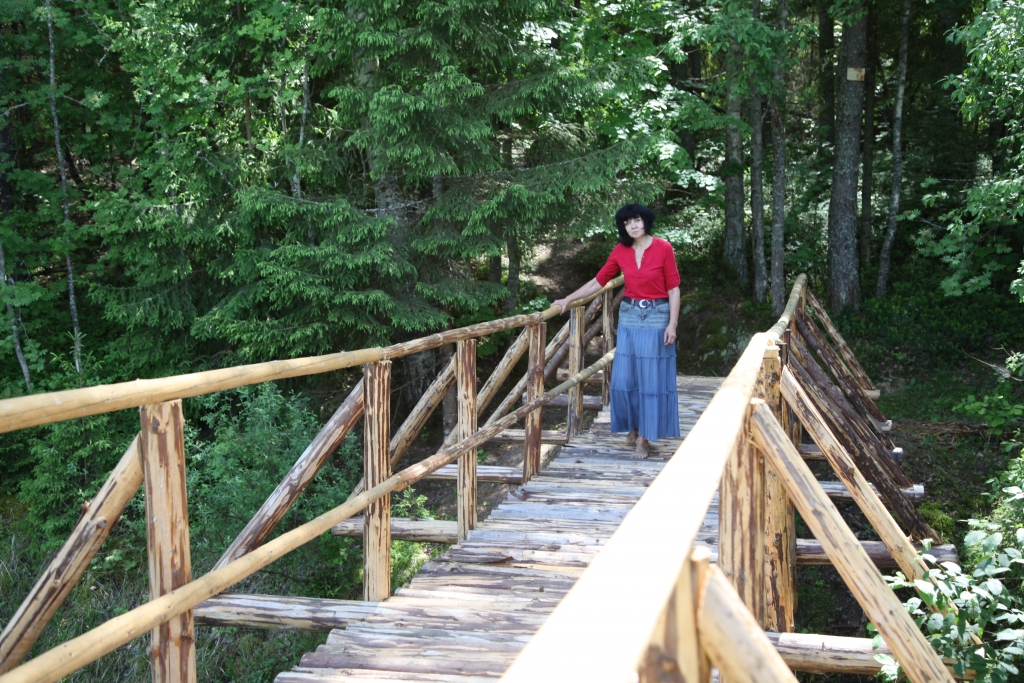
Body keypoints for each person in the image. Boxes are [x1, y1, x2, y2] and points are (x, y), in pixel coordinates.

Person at [553, 204, 680, 459]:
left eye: (636, 220)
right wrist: (567, 299)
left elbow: (674, 288)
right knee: (625, 379)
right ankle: (633, 425)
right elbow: (598, 281)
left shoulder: (663, 248)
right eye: (627, 222)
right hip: (630, 315)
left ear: (646, 221)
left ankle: (644, 438)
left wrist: (672, 324)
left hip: (657, 315)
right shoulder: (621, 250)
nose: (632, 226)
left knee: (651, 378)